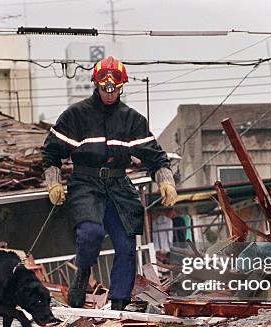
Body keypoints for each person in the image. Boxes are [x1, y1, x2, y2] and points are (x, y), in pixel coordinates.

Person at [42, 56, 177, 310]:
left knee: (126, 244)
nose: (109, 93)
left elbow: (155, 157)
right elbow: (50, 153)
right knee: (90, 233)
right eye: (104, 88)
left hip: (119, 186)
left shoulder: (132, 120)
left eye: (113, 88)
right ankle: (82, 276)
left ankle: (119, 303)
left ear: (121, 86)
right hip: (85, 183)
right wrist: (54, 182)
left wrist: (165, 180)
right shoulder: (76, 116)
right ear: (96, 84)